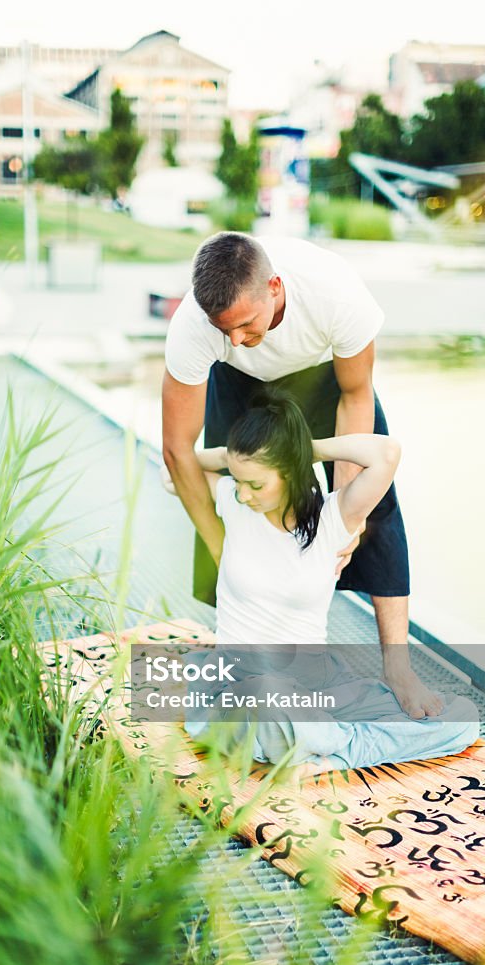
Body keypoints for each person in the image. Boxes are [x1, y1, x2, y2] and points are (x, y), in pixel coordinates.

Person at [162, 231, 440, 720]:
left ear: (273, 287)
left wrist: (344, 514)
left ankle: (398, 668)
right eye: (222, 329)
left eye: (245, 324)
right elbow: (176, 450)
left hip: (324, 378)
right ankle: (241, 655)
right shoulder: (197, 329)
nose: (235, 339)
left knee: (376, 512)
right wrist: (218, 542)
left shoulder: (336, 293)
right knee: (240, 499)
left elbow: (356, 396)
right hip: (239, 383)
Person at [161, 389, 480, 772]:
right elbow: (172, 471)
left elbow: (387, 453)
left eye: (257, 484)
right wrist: (235, 456)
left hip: (318, 686)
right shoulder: (232, 500)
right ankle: (323, 745)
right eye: (239, 479)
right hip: (240, 687)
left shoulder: (334, 518)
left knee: (463, 718)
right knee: (266, 696)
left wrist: (303, 447)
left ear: (290, 471)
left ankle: (327, 750)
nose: (244, 493)